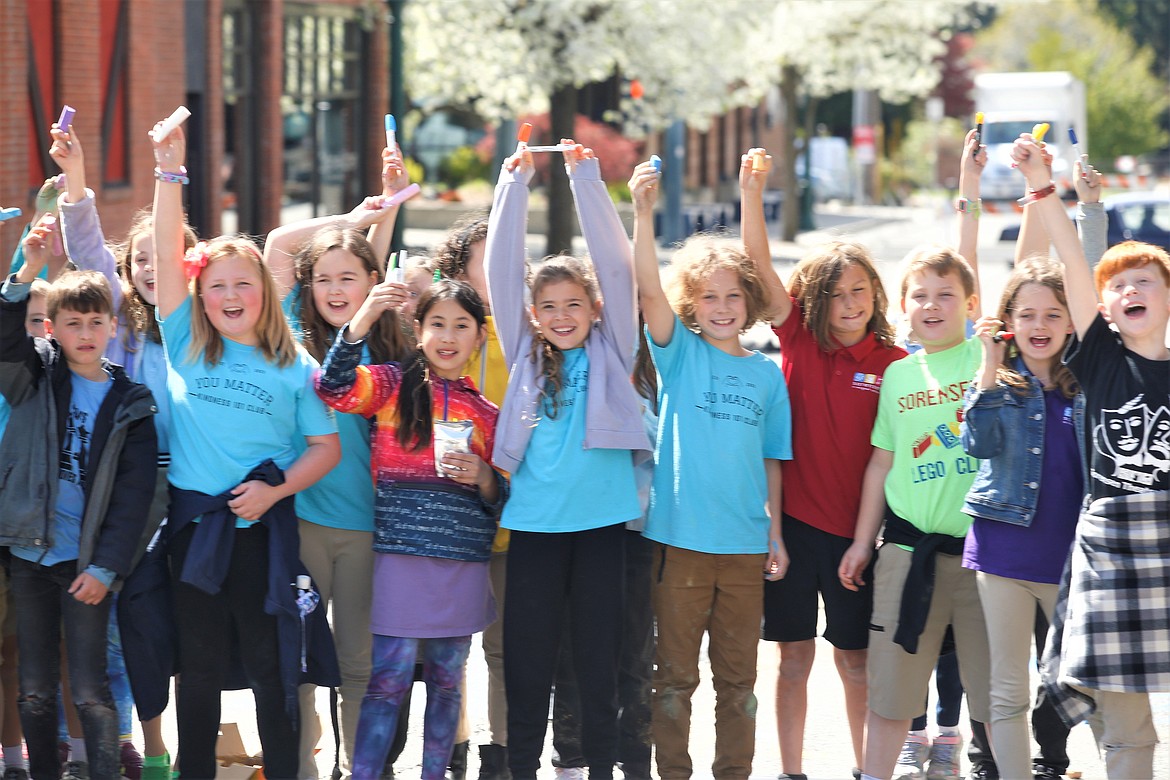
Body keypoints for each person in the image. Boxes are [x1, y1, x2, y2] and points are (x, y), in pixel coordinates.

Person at [151, 120, 341, 780]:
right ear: (200, 297)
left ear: (264, 291)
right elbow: (169, 254)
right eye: (217, 287)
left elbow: (324, 448)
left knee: (273, 673)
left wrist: (277, 489)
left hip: (264, 536)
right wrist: (169, 173)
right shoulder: (184, 342)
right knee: (197, 677)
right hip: (195, 534)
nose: (230, 296)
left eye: (243, 284)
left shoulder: (294, 365)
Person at [485, 141, 650, 780]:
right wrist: (513, 188)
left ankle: (600, 770)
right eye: (548, 307)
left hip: (603, 531)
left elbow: (613, 262)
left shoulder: (614, 347)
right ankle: (524, 769)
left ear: (595, 311)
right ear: (532, 315)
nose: (560, 316)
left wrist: (584, 175)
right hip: (533, 531)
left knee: (598, 665)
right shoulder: (524, 352)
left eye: (573, 305)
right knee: (529, 667)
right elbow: (502, 269)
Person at [739, 148, 905, 780]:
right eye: (836, 295)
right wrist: (754, 194)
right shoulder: (799, 341)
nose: (850, 302)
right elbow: (758, 267)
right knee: (793, 660)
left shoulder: (893, 363)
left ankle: (869, 769)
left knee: (855, 662)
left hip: (858, 537)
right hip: (793, 530)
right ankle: (792, 770)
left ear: (875, 295)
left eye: (860, 290)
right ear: (816, 302)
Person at [1013, 134, 1170, 780]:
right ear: (1103, 311)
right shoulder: (1101, 360)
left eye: (1146, 282)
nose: (1129, 290)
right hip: (1113, 548)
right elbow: (1078, 270)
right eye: (1119, 286)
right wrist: (1045, 189)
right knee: (1130, 729)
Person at [838, 132, 993, 780]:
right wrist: (859, 543)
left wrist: (969, 185)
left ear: (971, 304)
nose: (933, 305)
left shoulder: (984, 354)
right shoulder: (899, 374)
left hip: (985, 555)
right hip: (906, 552)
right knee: (892, 696)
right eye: (920, 296)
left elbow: (967, 256)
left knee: (994, 697)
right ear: (903, 309)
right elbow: (880, 464)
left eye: (946, 296)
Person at [630, 158, 790, 780]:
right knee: (671, 678)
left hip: (746, 549)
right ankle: (672, 770)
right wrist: (643, 215)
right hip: (679, 545)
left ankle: (735, 772)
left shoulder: (767, 375)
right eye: (709, 296)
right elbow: (646, 291)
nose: (722, 306)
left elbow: (773, 461)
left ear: (748, 301)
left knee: (739, 682)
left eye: (733, 295)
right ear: (691, 304)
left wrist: (774, 533)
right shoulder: (678, 355)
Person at [49, 118, 194, 780]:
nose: (148, 268)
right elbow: (86, 248)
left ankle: (159, 739)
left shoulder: (203, 331)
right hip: (120, 485)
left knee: (155, 621)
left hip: (189, 489)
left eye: (160, 258)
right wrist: (76, 176)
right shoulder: (119, 330)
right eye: (138, 260)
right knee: (103, 615)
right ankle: (108, 741)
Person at [316, 278, 505, 778]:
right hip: (398, 559)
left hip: (461, 564)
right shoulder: (391, 386)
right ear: (417, 331)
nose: (448, 336)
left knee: (447, 683)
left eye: (461, 326)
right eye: (437, 323)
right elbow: (332, 387)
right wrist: (360, 322)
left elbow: (501, 495)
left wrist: (484, 476)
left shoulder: (488, 413)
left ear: (478, 337)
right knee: (388, 681)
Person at [265, 146, 413, 778]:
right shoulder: (291, 333)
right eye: (322, 277)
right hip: (297, 527)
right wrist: (359, 214)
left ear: (370, 285)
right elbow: (274, 244)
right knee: (295, 666)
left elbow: (370, 273)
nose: (333, 288)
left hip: (364, 532)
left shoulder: (392, 350)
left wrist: (379, 224)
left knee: (358, 665)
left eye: (348, 278)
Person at [0, 216, 159, 780]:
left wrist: (106, 566)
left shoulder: (133, 404)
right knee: (36, 688)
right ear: (53, 329)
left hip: (85, 562)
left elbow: (135, 499)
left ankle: (102, 771)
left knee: (90, 687)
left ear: (113, 327)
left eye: (96, 322)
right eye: (73, 323)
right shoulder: (34, 377)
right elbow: (4, 338)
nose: (86, 333)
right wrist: (28, 273)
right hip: (30, 555)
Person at [960, 254, 1082, 780]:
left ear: (1073, 322)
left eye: (1053, 314)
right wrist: (988, 362)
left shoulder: (1088, 383)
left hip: (1072, 563)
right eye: (1027, 315)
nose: (1039, 326)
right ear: (1009, 322)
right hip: (1003, 555)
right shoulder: (998, 385)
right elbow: (976, 442)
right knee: (1006, 688)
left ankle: (1053, 762)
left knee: (1074, 686)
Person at [432, 212, 510, 780]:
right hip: (447, 522)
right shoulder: (439, 342)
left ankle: (500, 755)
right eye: (489, 259)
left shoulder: (529, 340)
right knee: (448, 648)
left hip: (510, 521)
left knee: (504, 650)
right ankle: (453, 744)